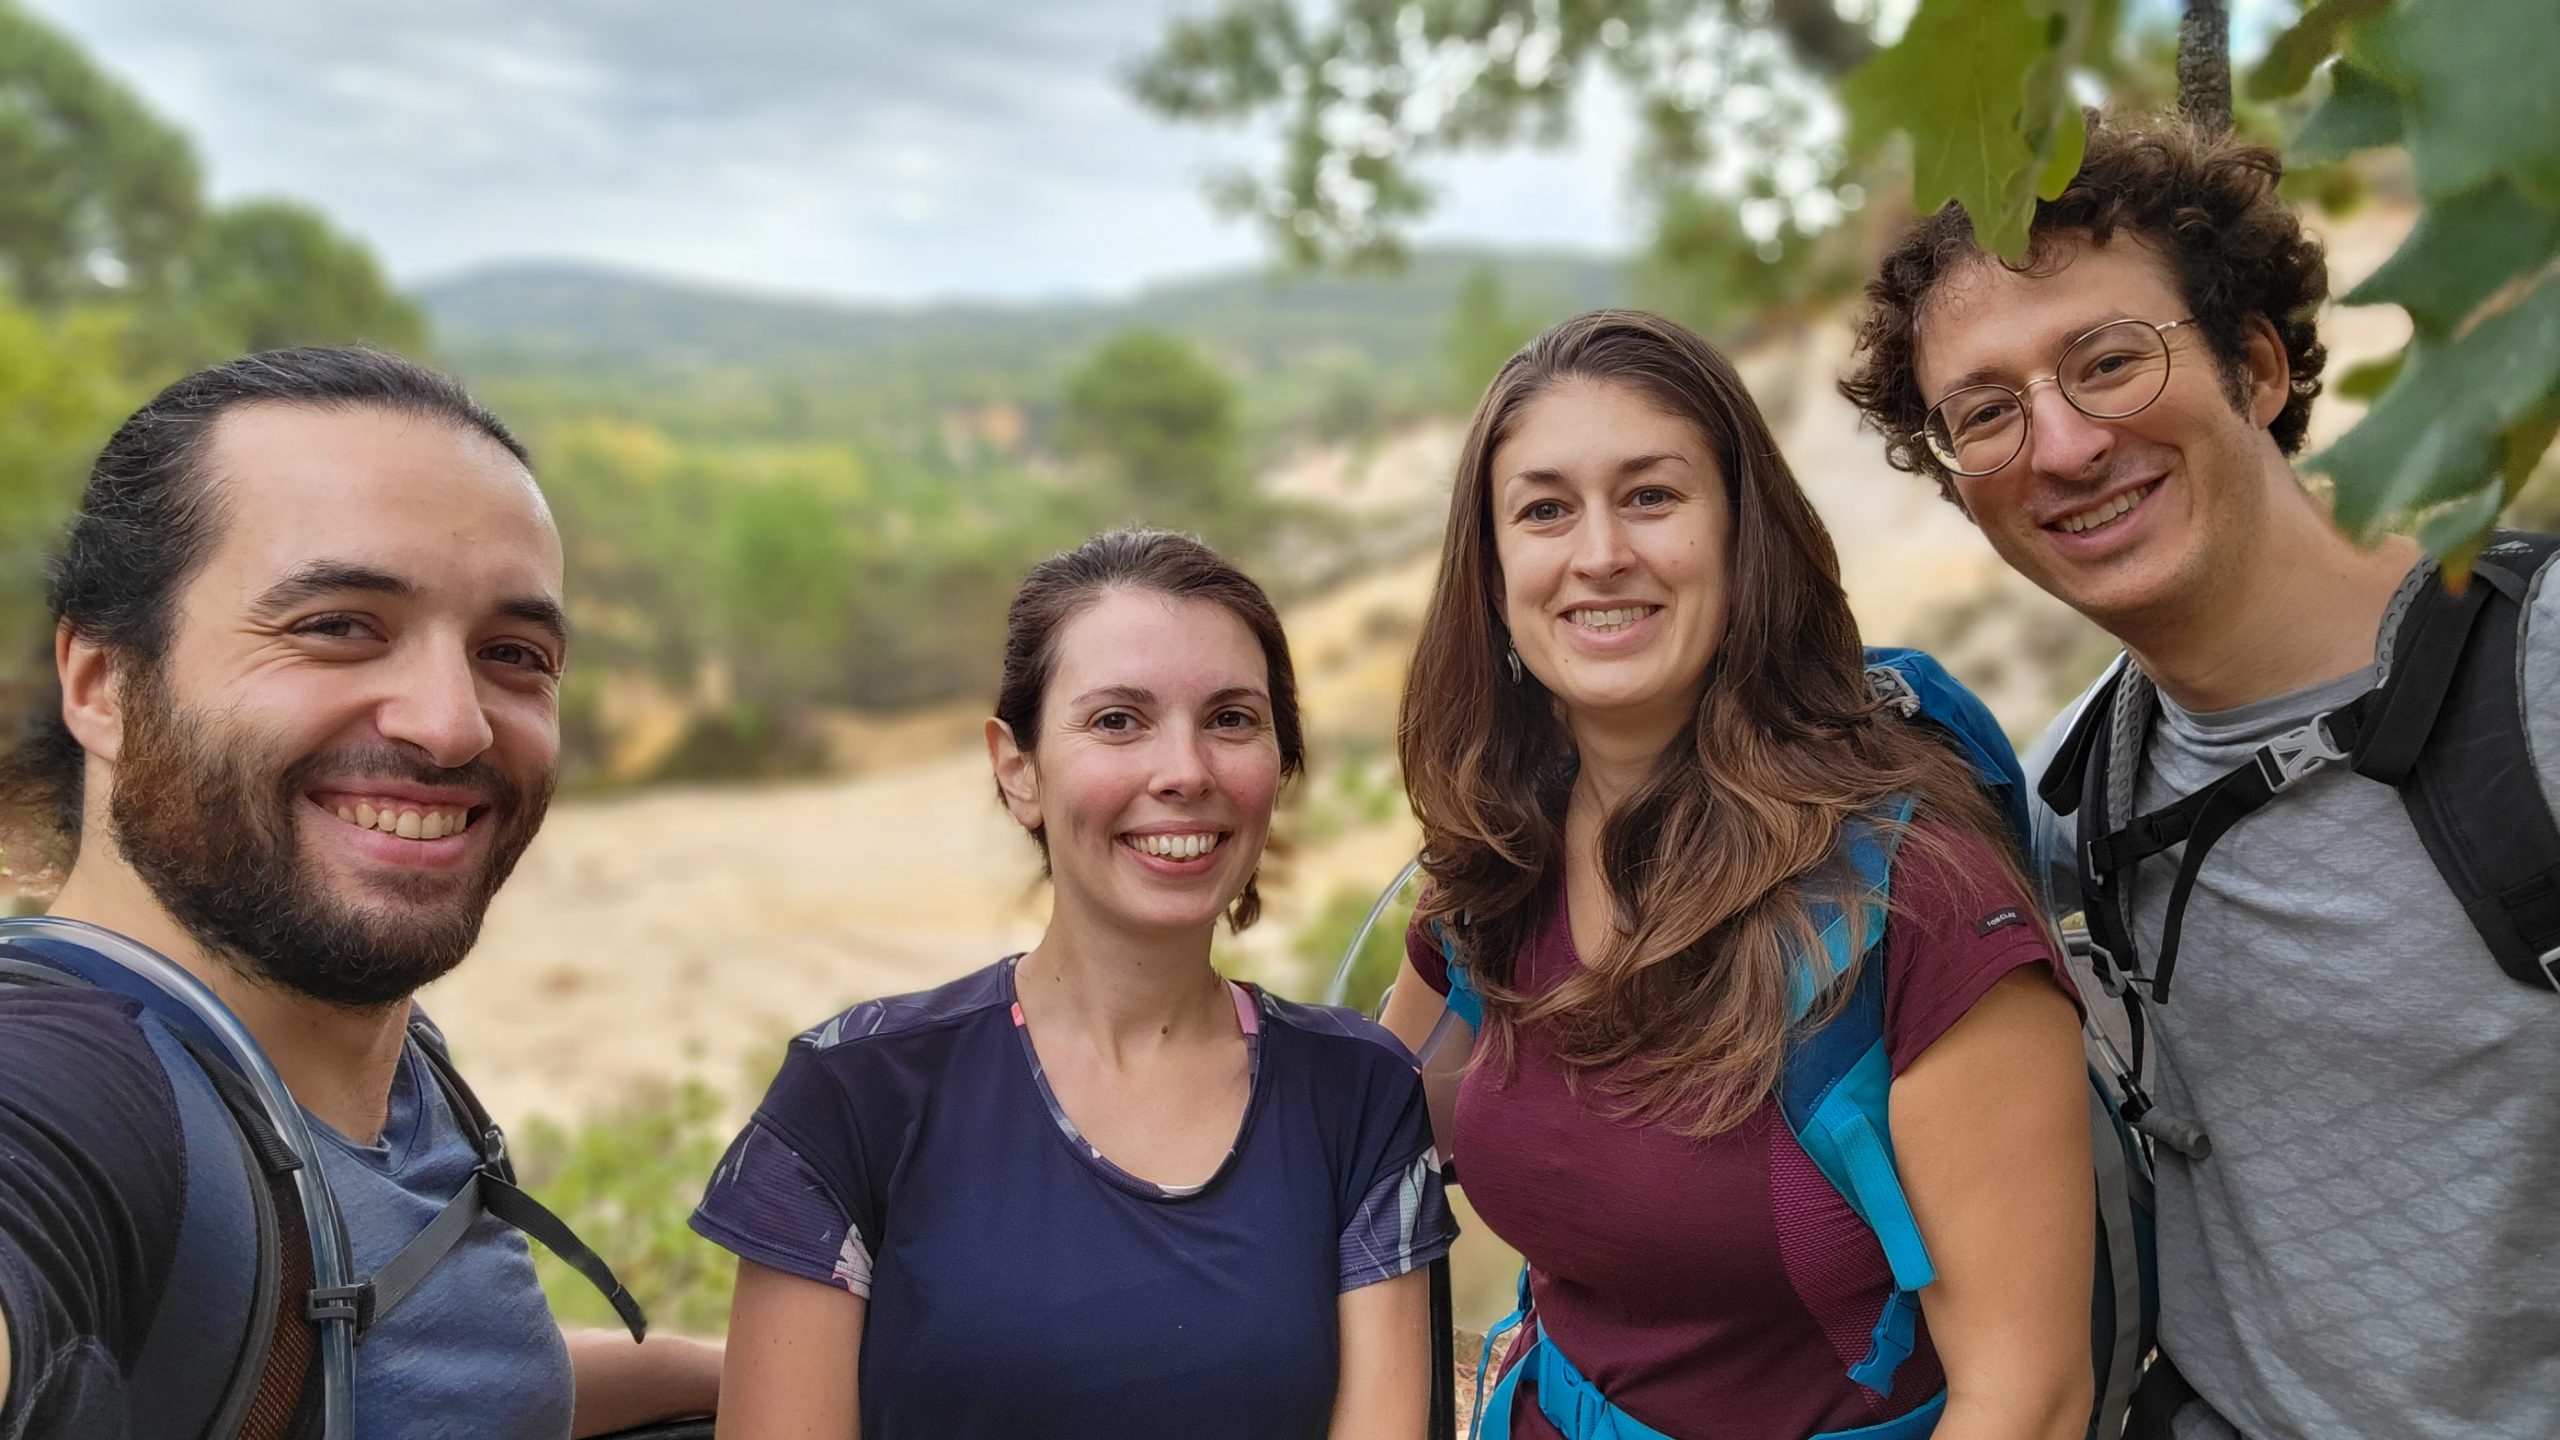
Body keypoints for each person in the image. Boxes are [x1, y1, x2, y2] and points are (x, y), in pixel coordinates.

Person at [1838, 113, 2560, 1439]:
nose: (2060, 446)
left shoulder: (2537, 685)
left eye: (2106, 361)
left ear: (2259, 365)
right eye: (1984, 415)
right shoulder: (2062, 797)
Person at [1377, 309, 2094, 1440]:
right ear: (1493, 571)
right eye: (1545, 509)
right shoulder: (1492, 869)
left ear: (1741, 537)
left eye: (1651, 495)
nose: (1599, 551)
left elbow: (2031, 1399)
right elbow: (1369, 1128)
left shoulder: (1917, 899)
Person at [0, 347, 721, 1438]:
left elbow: (427, 1384)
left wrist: (742, 1372)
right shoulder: (72, 1088)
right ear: (103, 685)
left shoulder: (383, 1067)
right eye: (337, 626)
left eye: (513, 652)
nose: (452, 722)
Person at [695, 528, 1456, 1440]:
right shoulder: (853, 1093)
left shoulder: (1360, 1094)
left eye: (1231, 719)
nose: (1184, 771)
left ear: (1278, 768)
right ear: (1018, 770)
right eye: (1116, 720)